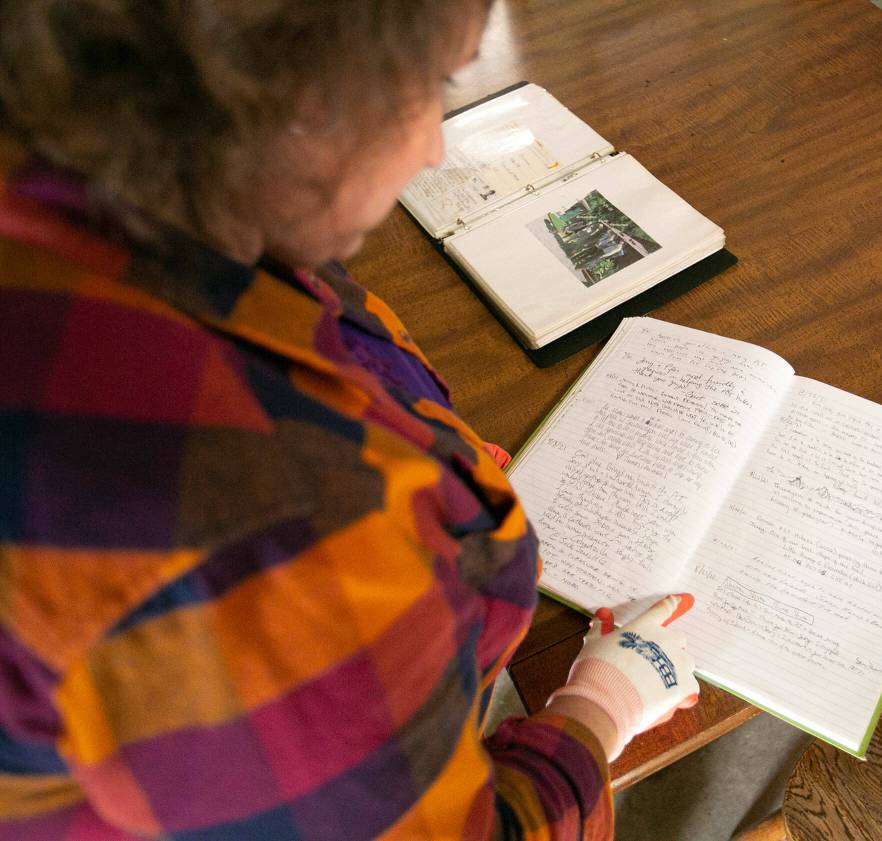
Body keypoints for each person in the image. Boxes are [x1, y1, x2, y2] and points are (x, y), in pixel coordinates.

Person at [0, 2, 701, 838]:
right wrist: (598, 706)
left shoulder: (86, 161)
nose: (435, 147)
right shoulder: (271, 531)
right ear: (293, 105)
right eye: (433, 86)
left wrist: (428, 453)